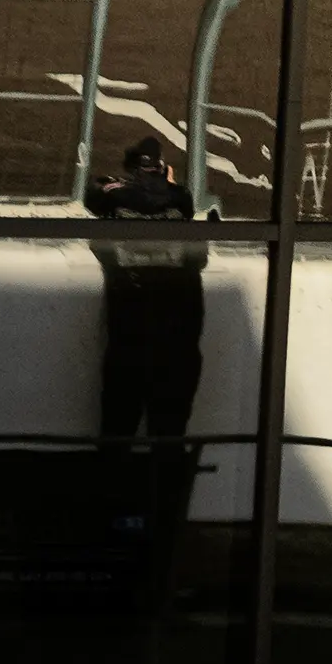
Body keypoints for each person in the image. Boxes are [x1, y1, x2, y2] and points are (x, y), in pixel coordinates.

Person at [84, 135, 209, 440]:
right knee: (169, 432)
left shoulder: (115, 196)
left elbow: (93, 196)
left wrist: (117, 184)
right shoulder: (179, 198)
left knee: (118, 426)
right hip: (176, 333)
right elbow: (186, 207)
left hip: (130, 327)